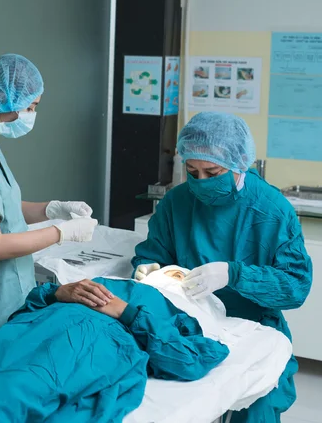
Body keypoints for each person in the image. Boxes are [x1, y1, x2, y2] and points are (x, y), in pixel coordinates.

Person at [0, 268, 230, 423]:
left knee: (16, 387)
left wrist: (128, 313)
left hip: (94, 341)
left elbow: (189, 361)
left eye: (174, 274)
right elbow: (21, 312)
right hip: (32, 327)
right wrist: (57, 291)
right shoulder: (103, 280)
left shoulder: (178, 311)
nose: (164, 273)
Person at [132, 112, 313, 422]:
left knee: (256, 408)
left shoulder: (271, 209)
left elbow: (295, 285)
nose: (200, 182)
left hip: (252, 327)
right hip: (188, 323)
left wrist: (235, 275)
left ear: (239, 162)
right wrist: (149, 272)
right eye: (192, 171)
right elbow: (153, 254)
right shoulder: (177, 201)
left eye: (212, 171)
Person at [0, 54, 99, 352]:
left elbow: (2, 208)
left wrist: (53, 209)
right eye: (30, 107)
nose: (31, 115)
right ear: (3, 98)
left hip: (4, 296)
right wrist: (63, 233)